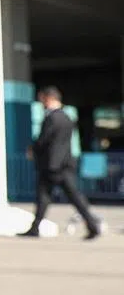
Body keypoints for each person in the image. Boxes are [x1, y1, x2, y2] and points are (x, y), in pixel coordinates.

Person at [19, 86, 100, 240]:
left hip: (51, 165)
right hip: (65, 164)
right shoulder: (67, 117)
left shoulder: (51, 118)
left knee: (44, 197)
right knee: (73, 197)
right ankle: (92, 225)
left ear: (48, 99)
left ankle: (35, 228)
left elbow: (43, 140)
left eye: (42, 99)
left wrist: (33, 150)